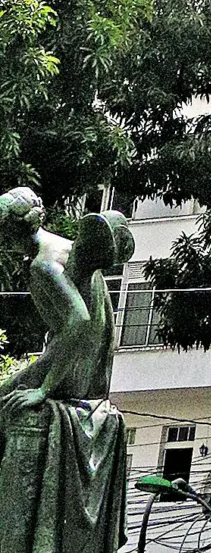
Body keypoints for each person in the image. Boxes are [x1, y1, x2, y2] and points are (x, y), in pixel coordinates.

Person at [0, 188, 133, 553]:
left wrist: (43, 389)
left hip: (71, 370)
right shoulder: (67, 246)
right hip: (91, 372)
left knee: (2, 402)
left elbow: (77, 320)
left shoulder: (43, 265)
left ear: (12, 233)